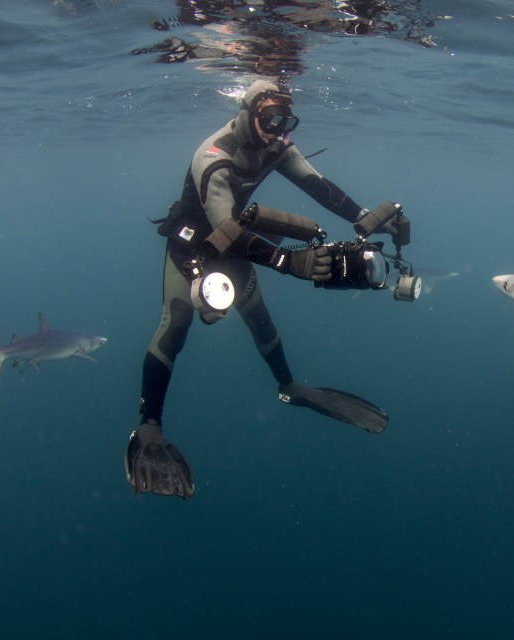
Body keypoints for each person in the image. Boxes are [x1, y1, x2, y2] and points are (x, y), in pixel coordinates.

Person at [125, 79, 407, 500]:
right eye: (269, 119)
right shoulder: (214, 159)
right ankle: (149, 427)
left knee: (260, 319)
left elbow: (320, 188)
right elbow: (225, 229)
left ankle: (289, 386)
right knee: (177, 323)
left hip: (238, 243)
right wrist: (287, 261)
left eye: (286, 121)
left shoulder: (275, 146)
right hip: (195, 249)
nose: (278, 131)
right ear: (246, 114)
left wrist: (367, 217)